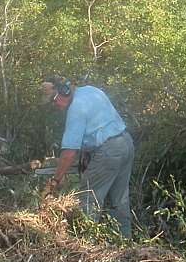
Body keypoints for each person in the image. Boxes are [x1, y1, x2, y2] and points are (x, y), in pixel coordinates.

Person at [41, 76, 134, 237]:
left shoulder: (76, 109)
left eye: (53, 100)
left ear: (63, 92)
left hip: (108, 151)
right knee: (119, 201)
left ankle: (85, 247)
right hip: (125, 143)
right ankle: (125, 243)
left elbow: (69, 152)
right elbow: (97, 126)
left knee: (87, 199)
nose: (54, 105)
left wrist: (55, 180)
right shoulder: (91, 91)